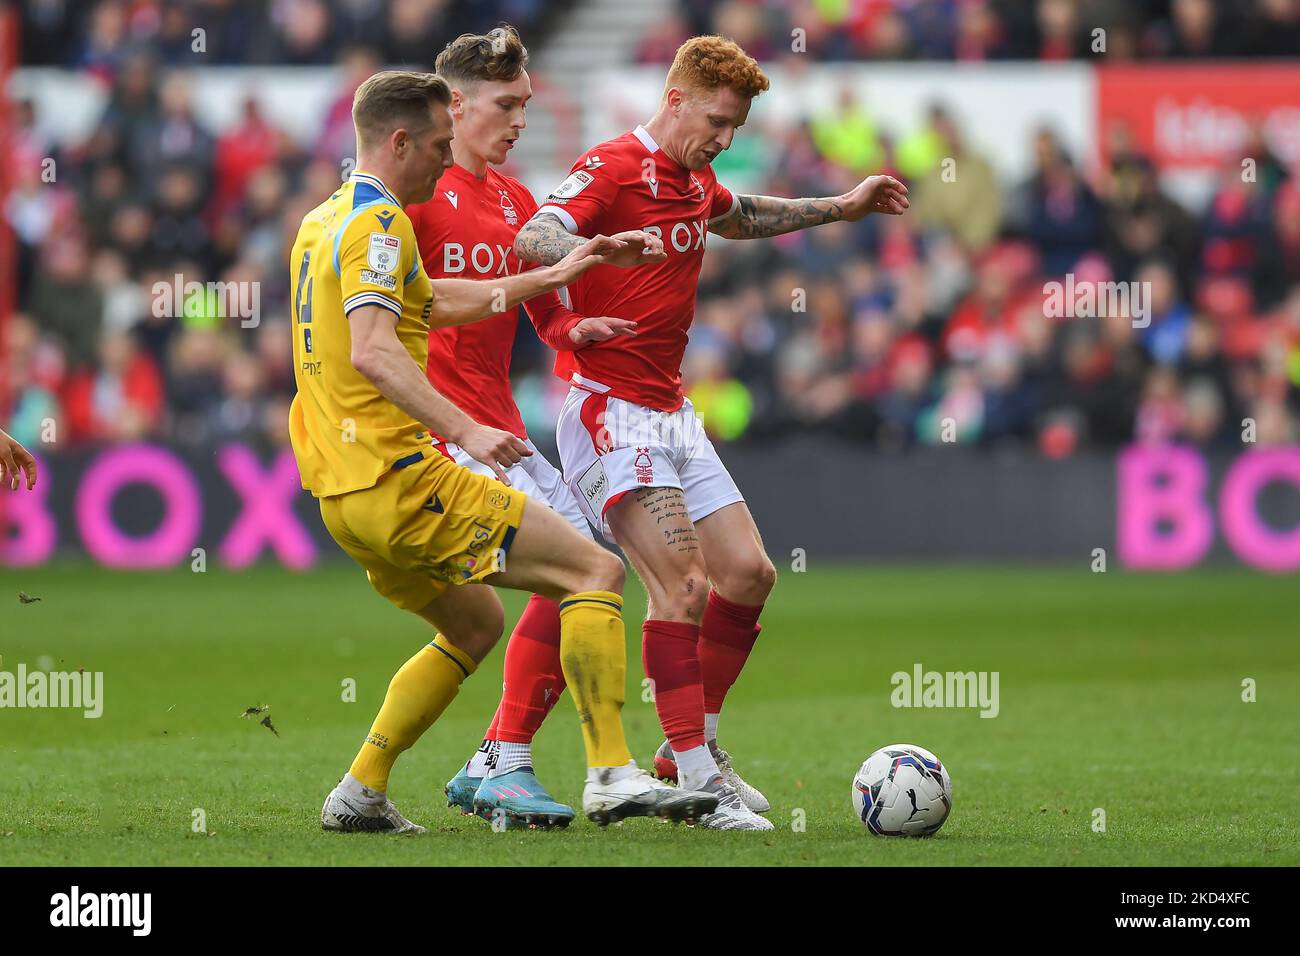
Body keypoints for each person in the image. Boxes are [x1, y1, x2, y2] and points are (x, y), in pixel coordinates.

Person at [288, 69, 714, 832]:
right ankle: (611, 772)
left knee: (477, 626)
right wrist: (464, 429)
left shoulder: (325, 220)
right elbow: (376, 352)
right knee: (595, 569)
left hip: (339, 495)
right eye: (439, 145)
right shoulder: (381, 224)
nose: (443, 160)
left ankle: (361, 788)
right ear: (400, 141)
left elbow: (434, 298)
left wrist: (552, 275)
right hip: (402, 473)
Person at [515, 35, 909, 830]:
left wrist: (844, 205)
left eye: (735, 126)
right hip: (605, 407)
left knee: (750, 576)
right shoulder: (612, 166)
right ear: (676, 100)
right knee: (682, 587)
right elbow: (534, 238)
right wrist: (588, 252)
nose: (725, 139)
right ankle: (695, 784)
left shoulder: (696, 178)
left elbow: (743, 216)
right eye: (718, 120)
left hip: (671, 412)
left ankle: (691, 749)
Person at [405, 26, 643, 828]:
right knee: (583, 572)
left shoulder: (512, 199)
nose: (521, 120)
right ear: (456, 106)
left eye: (527, 105)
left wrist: (570, 332)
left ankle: (490, 758)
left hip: (502, 425)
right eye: (507, 105)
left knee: (586, 572)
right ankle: (512, 759)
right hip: (443, 433)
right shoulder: (408, 195)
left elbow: (536, 301)